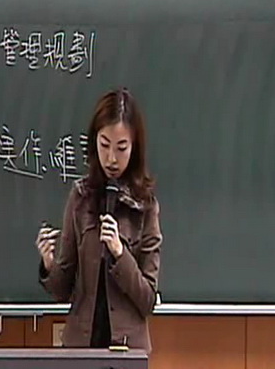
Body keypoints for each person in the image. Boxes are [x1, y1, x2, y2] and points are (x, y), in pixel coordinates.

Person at [36, 88, 162, 354]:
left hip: (127, 350)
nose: (112, 158)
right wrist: (48, 264)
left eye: (121, 148)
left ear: (134, 148)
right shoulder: (81, 197)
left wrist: (119, 253)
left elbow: (148, 299)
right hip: (81, 347)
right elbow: (62, 290)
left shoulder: (145, 205)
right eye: (104, 145)